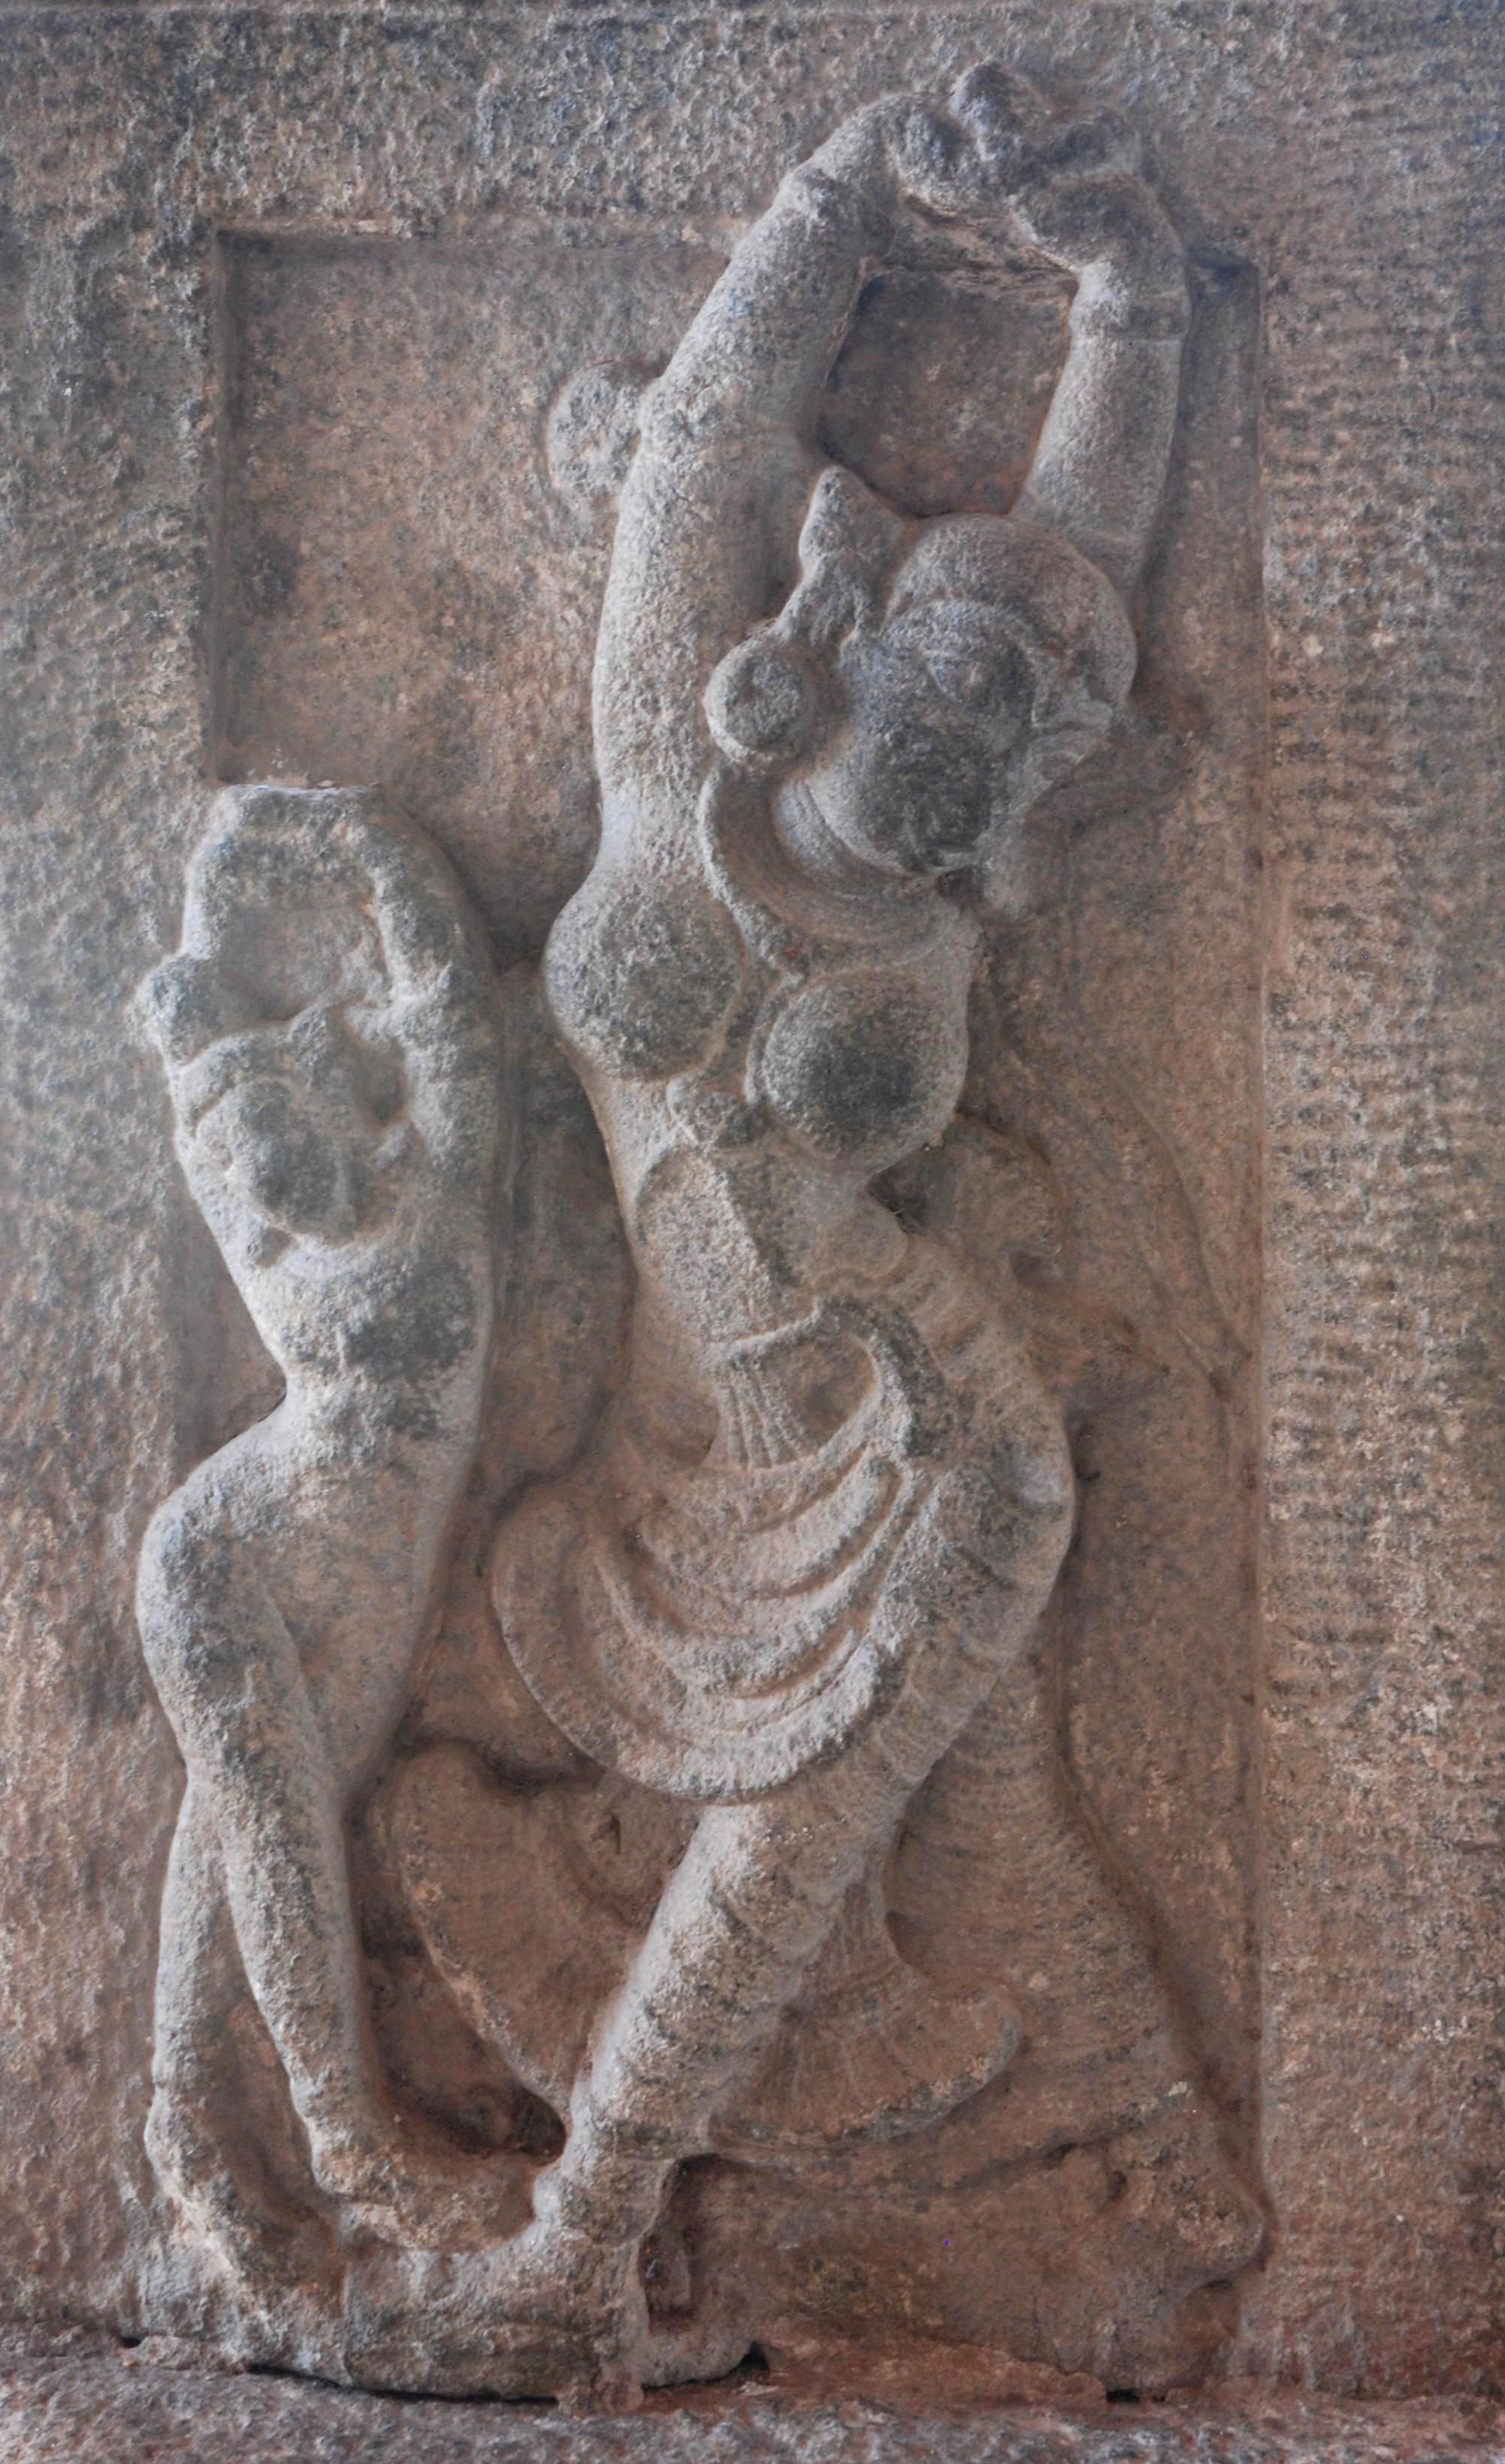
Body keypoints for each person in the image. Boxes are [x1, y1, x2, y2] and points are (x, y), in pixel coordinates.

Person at [477, 64, 1225, 2403]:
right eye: (980, 690)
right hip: (677, 1444)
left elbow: (1077, 567)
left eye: (1045, 740)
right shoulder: (664, 772)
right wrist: (845, 182)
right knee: (981, 1817)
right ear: (875, 616)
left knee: (811, 1831)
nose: (1001, 755)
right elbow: (707, 438)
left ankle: (581, 2238)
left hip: (932, 1437)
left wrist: (1138, 290)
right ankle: (1169, 2167)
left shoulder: (928, 936)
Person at [135, 785, 526, 2273]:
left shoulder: (434, 1174)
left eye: (266, 1135)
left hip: (358, 1571)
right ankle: (346, 2139)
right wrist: (218, 888)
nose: (251, 1180)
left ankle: (190, 2126)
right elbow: (194, 1065)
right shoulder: (261, 1225)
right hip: (231, 1557)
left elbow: (447, 1007)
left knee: (247, 1828)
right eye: (226, 1153)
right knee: (275, 1831)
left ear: (327, 1089)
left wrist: (374, 852)